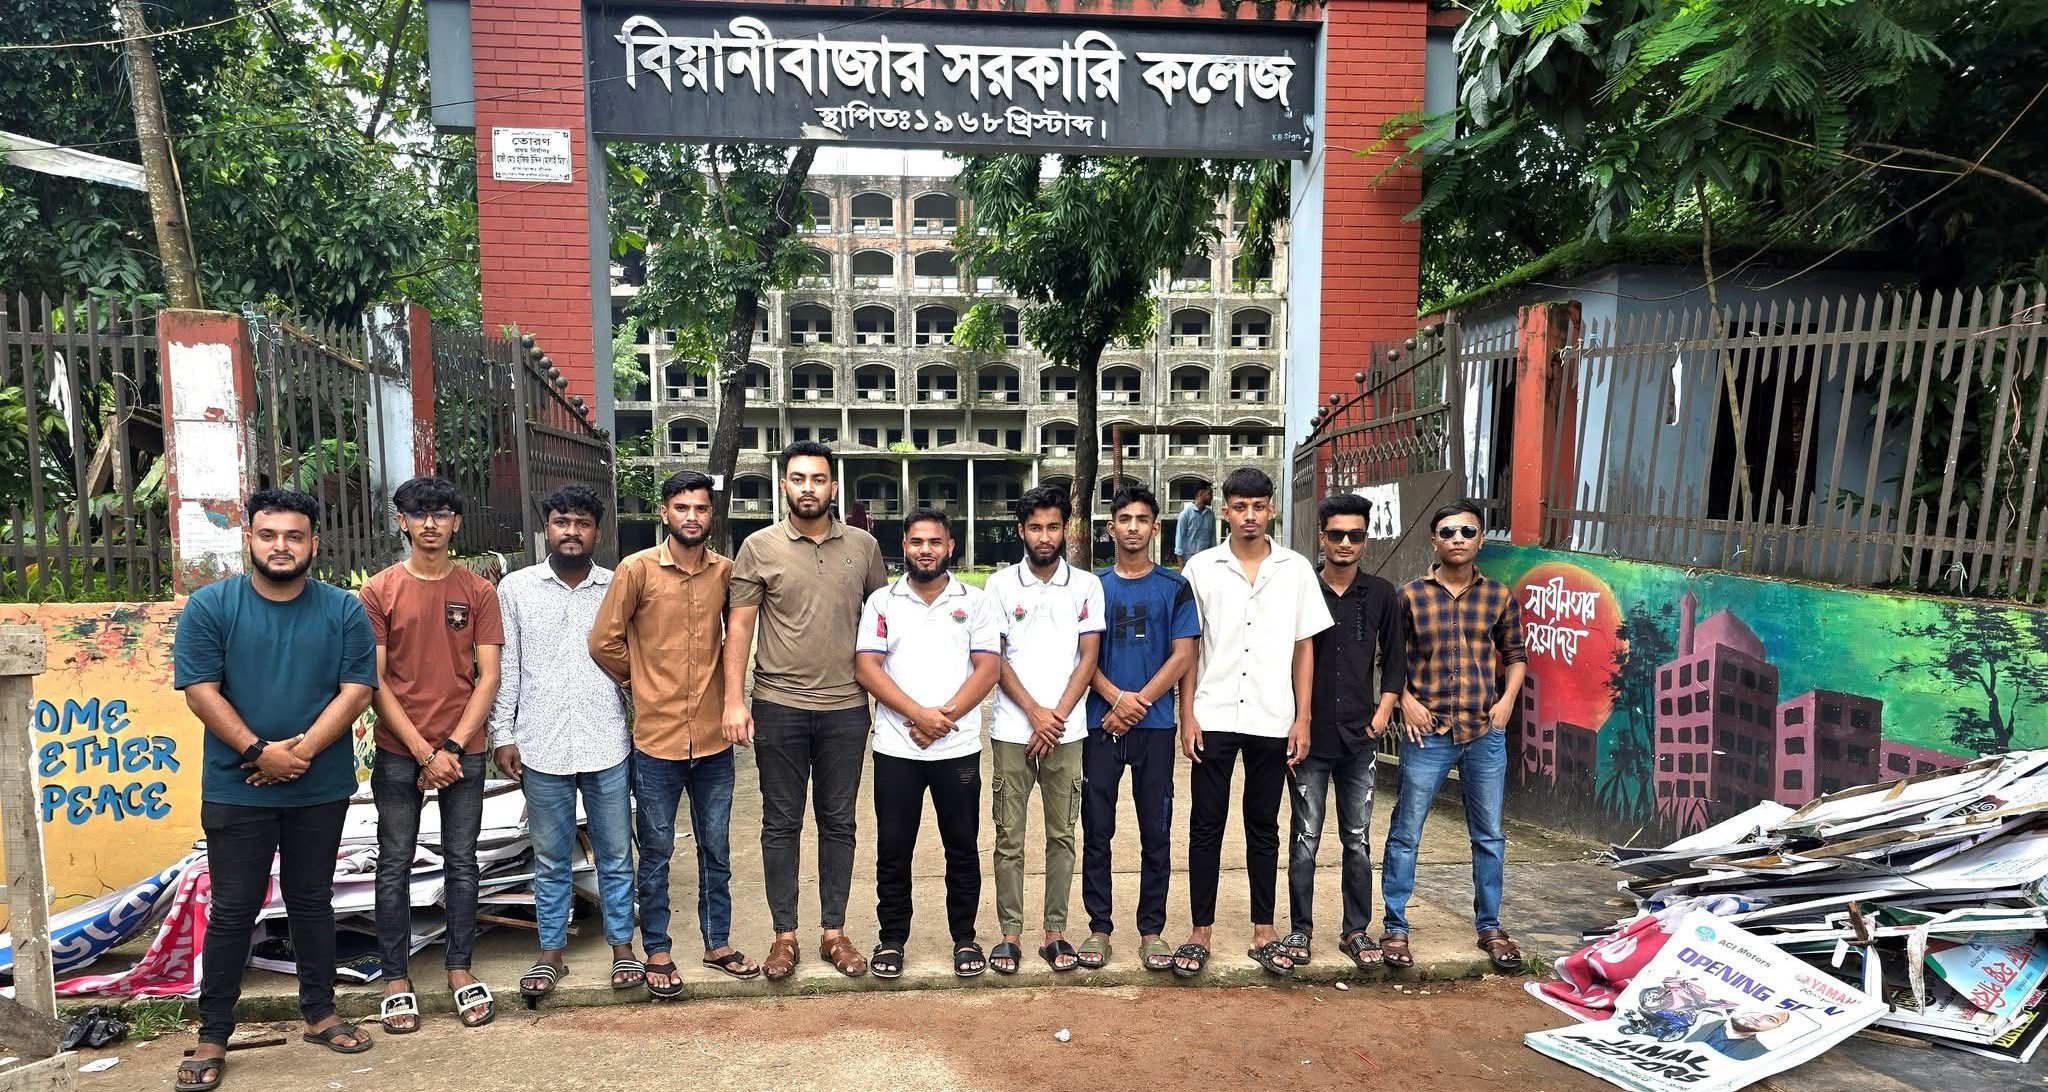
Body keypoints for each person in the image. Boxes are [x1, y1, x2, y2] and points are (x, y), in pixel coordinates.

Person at [172, 489, 376, 1091]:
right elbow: (200, 690)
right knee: (234, 908)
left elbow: (357, 690)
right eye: (268, 535)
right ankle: (213, 1033)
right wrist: (260, 753)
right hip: (237, 787)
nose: (281, 546)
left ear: (314, 542)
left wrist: (298, 755)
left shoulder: (343, 610)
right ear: (250, 540)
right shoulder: (212, 606)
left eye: (294, 535)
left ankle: (320, 1012)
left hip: (319, 786)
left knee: (312, 900)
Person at [723, 441, 888, 980]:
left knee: (839, 822)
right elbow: (740, 628)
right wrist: (733, 699)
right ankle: (784, 935)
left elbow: (883, 625)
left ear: (833, 487)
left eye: (818, 479)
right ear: (784, 485)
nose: (808, 488)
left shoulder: (863, 547)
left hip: (846, 707)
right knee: (781, 823)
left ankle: (833, 932)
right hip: (779, 707)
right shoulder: (758, 547)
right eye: (798, 479)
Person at [592, 470, 754, 996]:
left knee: (716, 848)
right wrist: (640, 681)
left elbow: (737, 636)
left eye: (701, 508)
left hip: (713, 739)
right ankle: (657, 949)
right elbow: (603, 641)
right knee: (657, 849)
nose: (691, 516)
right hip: (656, 741)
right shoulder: (636, 569)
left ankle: (717, 943)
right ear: (665, 513)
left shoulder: (726, 572)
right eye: (681, 507)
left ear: (712, 515)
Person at [1176, 467, 1332, 979]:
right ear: (1225, 511)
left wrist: (1302, 717)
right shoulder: (1201, 568)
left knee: (1263, 825)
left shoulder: (1295, 569)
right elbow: (1189, 648)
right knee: (1206, 824)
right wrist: (1187, 714)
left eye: (1258, 507)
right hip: (1214, 712)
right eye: (1240, 507)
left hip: (1272, 715)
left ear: (1271, 510)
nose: (1249, 516)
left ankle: (1264, 930)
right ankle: (1200, 930)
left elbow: (1304, 648)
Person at [362, 476, 503, 1033]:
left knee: (462, 861)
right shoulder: (379, 591)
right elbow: (373, 681)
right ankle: (396, 979)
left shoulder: (478, 591)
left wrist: (452, 746)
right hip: (400, 750)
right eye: (418, 514)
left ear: (456, 523)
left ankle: (459, 968)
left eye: (441, 513)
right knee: (393, 861)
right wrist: (424, 752)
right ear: (401, 521)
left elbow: (488, 677)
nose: (430, 523)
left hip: (464, 749)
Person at [489, 485, 639, 1003]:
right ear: (546, 527)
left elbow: (635, 661)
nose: (571, 532)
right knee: (550, 856)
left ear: (597, 530)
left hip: (607, 740)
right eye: (561, 522)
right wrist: (503, 734)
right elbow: (508, 666)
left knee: (615, 853)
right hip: (540, 742)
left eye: (582, 523)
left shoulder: (618, 586)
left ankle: (623, 947)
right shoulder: (516, 588)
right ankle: (551, 950)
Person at [854, 507, 1002, 980]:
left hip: (957, 750)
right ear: (904, 546)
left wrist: (944, 719)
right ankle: (891, 939)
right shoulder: (882, 602)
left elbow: (988, 668)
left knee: (961, 847)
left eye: (935, 542)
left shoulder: (975, 601)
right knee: (894, 849)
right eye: (916, 541)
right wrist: (919, 716)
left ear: (950, 547)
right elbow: (867, 667)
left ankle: (965, 938)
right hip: (897, 748)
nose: (925, 550)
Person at [1382, 500, 1528, 972]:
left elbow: (1515, 655)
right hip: (1429, 733)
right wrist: (1406, 701)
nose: (1458, 539)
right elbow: (1389, 659)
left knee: (1489, 835)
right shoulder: (1409, 597)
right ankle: (1396, 927)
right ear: (1434, 541)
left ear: (1480, 539)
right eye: (1448, 532)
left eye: (1467, 531)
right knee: (1406, 832)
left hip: (1484, 731)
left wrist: (1506, 703)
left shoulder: (1498, 596)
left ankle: (1490, 927)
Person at [983, 486, 1105, 974]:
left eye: (1053, 526)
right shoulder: (999, 586)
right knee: (1008, 838)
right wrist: (1035, 713)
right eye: (1035, 527)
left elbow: (1088, 658)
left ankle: (1055, 932)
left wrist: (1055, 718)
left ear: (1065, 529)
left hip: (1067, 733)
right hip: (1013, 730)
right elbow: (995, 658)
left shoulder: (1086, 586)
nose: (1044, 536)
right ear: (1021, 531)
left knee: (1062, 836)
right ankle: (1009, 935)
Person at [1082, 484, 1200, 973]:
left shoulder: (1174, 587)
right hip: (1099, 723)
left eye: (1142, 519)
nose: (1133, 527)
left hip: (1154, 726)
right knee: (1097, 828)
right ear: (1110, 528)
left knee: (1156, 829)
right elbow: (1080, 655)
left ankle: (1152, 930)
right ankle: (1099, 928)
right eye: (1124, 519)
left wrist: (1138, 703)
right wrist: (1115, 698)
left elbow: (1184, 654)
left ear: (1155, 528)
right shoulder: (1091, 587)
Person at [1284, 492, 1405, 971]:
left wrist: (1383, 713)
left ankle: (1355, 929)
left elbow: (1396, 660)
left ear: (1365, 539)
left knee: (1357, 839)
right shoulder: (1301, 590)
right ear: (1322, 537)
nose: (1345, 543)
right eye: (1336, 534)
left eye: (1355, 535)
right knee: (1304, 839)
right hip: (1309, 739)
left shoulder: (1381, 594)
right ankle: (1300, 930)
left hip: (1360, 737)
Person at [1173, 480, 1215, 567]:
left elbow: (1213, 541)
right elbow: (1179, 543)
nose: (1212, 497)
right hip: (1189, 563)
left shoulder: (1210, 514)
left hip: (1206, 563)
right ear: (1201, 493)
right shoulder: (1185, 514)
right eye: (1210, 493)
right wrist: (1181, 569)